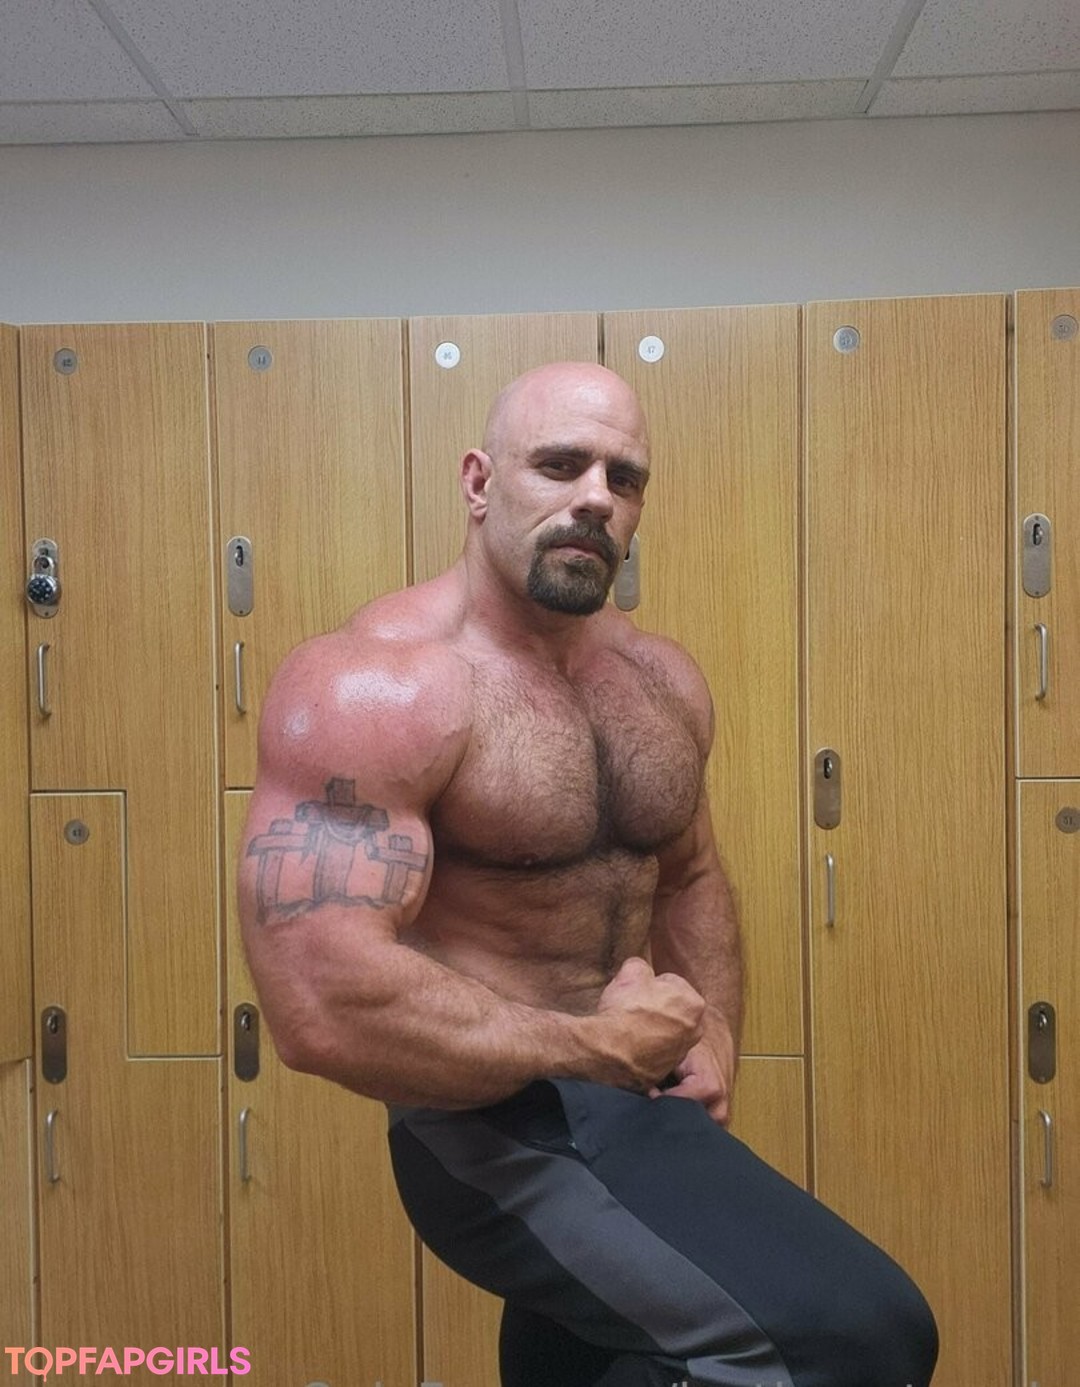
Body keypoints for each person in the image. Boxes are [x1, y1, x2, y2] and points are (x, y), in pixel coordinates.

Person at [238, 362, 939, 1387]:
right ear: (480, 482)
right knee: (864, 1336)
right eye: (561, 465)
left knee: (622, 1355)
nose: (597, 498)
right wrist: (589, 1046)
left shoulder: (656, 680)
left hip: (628, 1094)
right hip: (486, 1121)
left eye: (625, 476)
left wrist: (712, 1028)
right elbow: (318, 1000)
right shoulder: (377, 686)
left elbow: (689, 874)